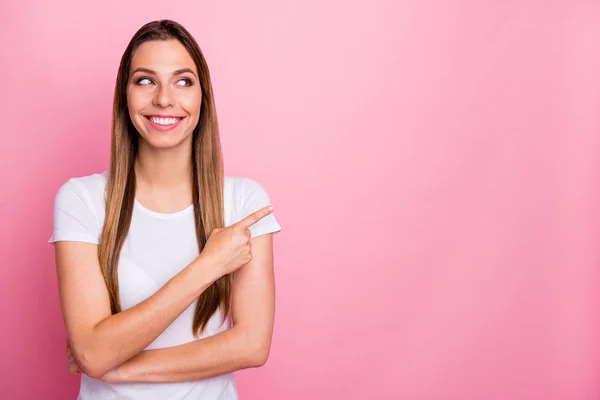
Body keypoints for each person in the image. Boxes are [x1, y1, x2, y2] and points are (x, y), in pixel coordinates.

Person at [48, 19, 282, 399]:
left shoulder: (242, 202)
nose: (163, 99)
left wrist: (118, 369)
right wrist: (208, 265)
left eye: (183, 81)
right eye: (145, 80)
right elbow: (91, 352)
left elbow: (252, 345)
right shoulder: (81, 200)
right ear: (125, 94)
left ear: (202, 96)